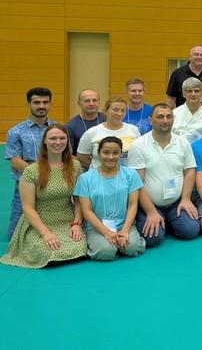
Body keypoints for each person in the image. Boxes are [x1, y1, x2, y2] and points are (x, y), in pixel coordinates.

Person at [1, 124, 87, 268]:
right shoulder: (31, 171)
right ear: (45, 141)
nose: (58, 142)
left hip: (66, 220)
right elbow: (28, 208)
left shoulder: (75, 166)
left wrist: (77, 224)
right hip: (39, 223)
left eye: (62, 138)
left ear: (67, 141)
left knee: (80, 246)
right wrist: (46, 233)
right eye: (53, 138)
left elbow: (78, 200)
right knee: (49, 251)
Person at [128, 103, 201, 247]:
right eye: (160, 117)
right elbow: (137, 183)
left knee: (190, 231)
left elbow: (189, 172)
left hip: (176, 202)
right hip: (150, 204)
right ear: (150, 120)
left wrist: (186, 199)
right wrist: (150, 212)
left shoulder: (183, 143)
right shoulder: (138, 145)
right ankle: (159, 220)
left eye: (169, 116)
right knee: (153, 239)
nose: (165, 120)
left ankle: (168, 221)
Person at [74, 137, 146, 260]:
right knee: (106, 251)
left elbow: (132, 204)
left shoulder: (131, 175)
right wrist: (107, 233)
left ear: (121, 153)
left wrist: (125, 231)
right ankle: (107, 244)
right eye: (106, 152)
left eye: (115, 153)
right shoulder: (85, 179)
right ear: (98, 153)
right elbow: (86, 211)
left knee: (133, 248)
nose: (111, 157)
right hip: (96, 226)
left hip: (123, 224)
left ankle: (120, 242)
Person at [5, 87, 56, 239]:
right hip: (25, 185)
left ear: (50, 104)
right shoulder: (16, 131)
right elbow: (15, 161)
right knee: (14, 235)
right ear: (28, 104)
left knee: (53, 228)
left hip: (54, 184)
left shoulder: (57, 128)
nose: (41, 106)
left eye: (45, 102)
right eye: (36, 102)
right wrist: (39, 176)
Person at [76, 96, 141, 169]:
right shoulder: (92, 132)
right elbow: (82, 157)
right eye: (115, 110)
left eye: (123, 110)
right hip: (99, 174)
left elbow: (139, 154)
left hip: (127, 174)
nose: (119, 113)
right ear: (105, 111)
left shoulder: (133, 130)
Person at [65, 88, 106, 155]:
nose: (91, 103)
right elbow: (69, 155)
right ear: (79, 103)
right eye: (87, 101)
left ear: (99, 102)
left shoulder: (107, 120)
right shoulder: (70, 126)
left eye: (94, 100)